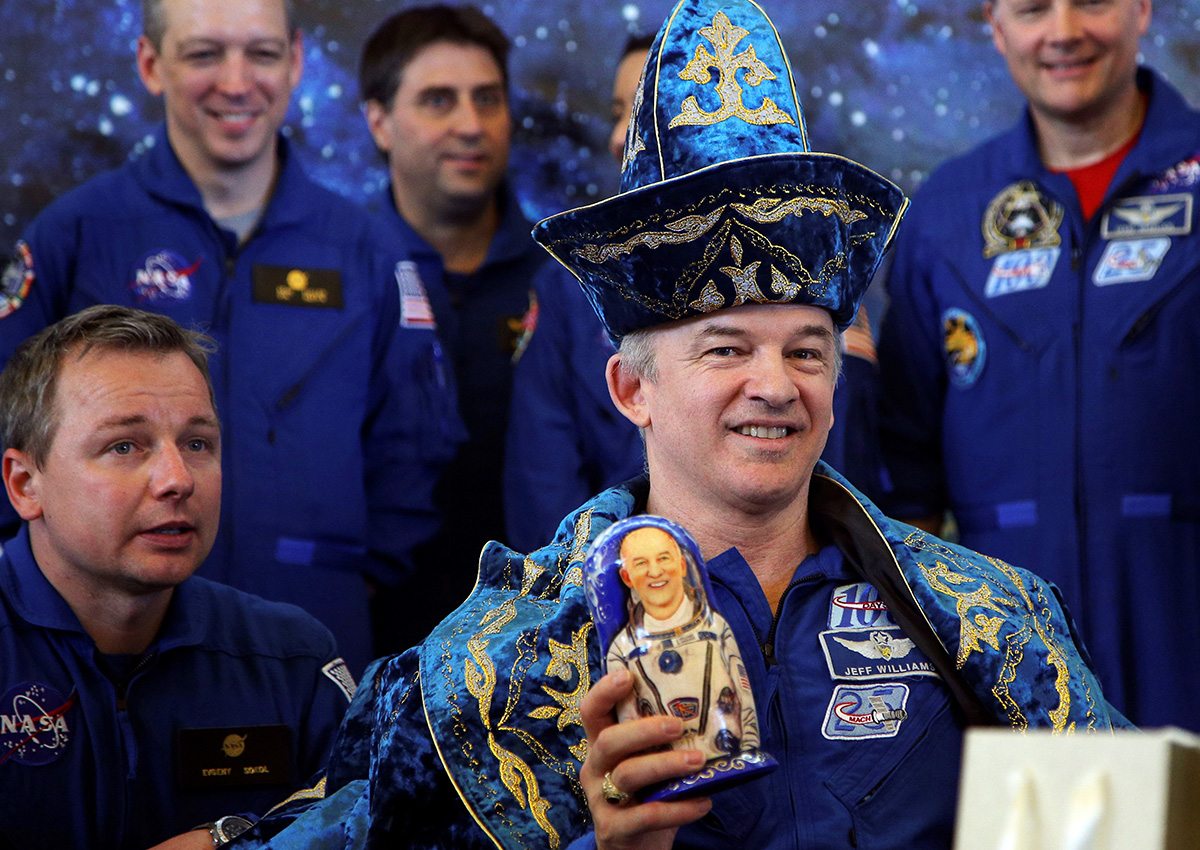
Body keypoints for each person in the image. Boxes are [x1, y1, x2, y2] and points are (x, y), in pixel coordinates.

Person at [230, 2, 1127, 848]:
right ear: (631, 390)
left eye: (807, 353)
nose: (776, 386)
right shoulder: (494, 669)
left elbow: (1128, 831)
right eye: (727, 350)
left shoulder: (998, 622)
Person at [0, 0, 460, 676]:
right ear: (152, 64)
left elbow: (416, 446)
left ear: (297, 61)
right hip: (96, 647)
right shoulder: (76, 235)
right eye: (205, 53)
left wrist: (342, 570)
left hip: (316, 628)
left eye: (262, 54)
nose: (238, 82)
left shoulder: (368, 250)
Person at [876, 0, 1200, 731]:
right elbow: (907, 492)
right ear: (993, 23)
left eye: (1091, 1)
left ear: (1142, 8)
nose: (1062, 32)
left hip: (1182, 641)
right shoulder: (946, 216)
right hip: (1011, 682)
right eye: (1029, 8)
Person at [0, 305, 353, 850]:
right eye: (124, 446)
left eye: (197, 444)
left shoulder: (292, 662)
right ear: (25, 484)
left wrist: (234, 840)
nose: (177, 479)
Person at [360, 4, 637, 626]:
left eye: (488, 99)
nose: (470, 124)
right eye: (438, 101)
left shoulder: (566, 272)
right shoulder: (343, 271)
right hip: (373, 617)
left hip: (540, 627)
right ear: (378, 121)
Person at [601, 521, 760, 767]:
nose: (655, 572)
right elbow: (630, 721)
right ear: (626, 577)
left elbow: (743, 698)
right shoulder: (622, 650)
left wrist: (748, 748)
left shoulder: (715, 628)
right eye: (641, 563)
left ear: (682, 565)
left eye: (664, 558)